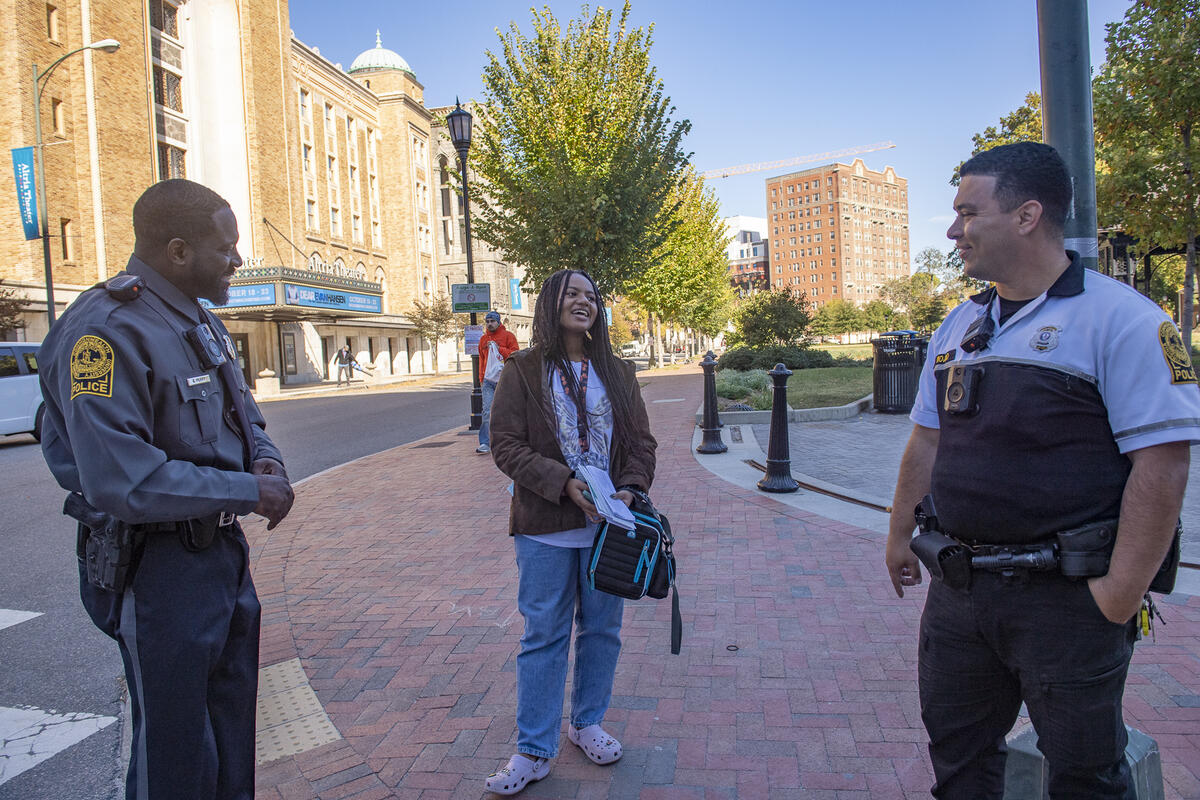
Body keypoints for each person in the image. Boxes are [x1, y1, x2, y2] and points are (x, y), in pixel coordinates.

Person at [884, 142, 1200, 799]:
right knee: (960, 764)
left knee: (1086, 776)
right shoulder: (959, 324)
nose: (952, 230)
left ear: (1027, 216)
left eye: (969, 212)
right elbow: (926, 441)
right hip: (959, 591)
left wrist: (1118, 594)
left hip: (1066, 604)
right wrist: (897, 535)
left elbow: (1163, 465)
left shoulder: (1123, 321)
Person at [39, 179, 295, 800]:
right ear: (179, 251)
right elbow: (124, 480)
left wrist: (264, 461)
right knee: (175, 759)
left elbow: (245, 412)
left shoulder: (195, 318)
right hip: (158, 569)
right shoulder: (105, 331)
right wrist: (248, 491)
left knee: (232, 737)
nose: (238, 261)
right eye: (226, 248)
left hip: (219, 560)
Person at [485, 270, 656, 795]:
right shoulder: (523, 369)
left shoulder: (618, 372)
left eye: (592, 295)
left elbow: (641, 444)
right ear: (550, 303)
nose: (584, 302)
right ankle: (534, 749)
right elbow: (506, 445)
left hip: (611, 530)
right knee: (544, 635)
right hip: (544, 527)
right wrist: (563, 484)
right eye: (572, 293)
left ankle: (586, 723)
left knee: (602, 631)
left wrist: (629, 488)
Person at [476, 309, 519, 454]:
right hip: (488, 381)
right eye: (487, 321)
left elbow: (515, 354)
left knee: (506, 411)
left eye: (492, 321)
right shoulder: (483, 340)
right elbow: (482, 360)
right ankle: (485, 443)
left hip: (505, 378)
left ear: (498, 322)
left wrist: (499, 348)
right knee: (487, 411)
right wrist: (481, 378)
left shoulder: (508, 336)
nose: (489, 324)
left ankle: (510, 441)